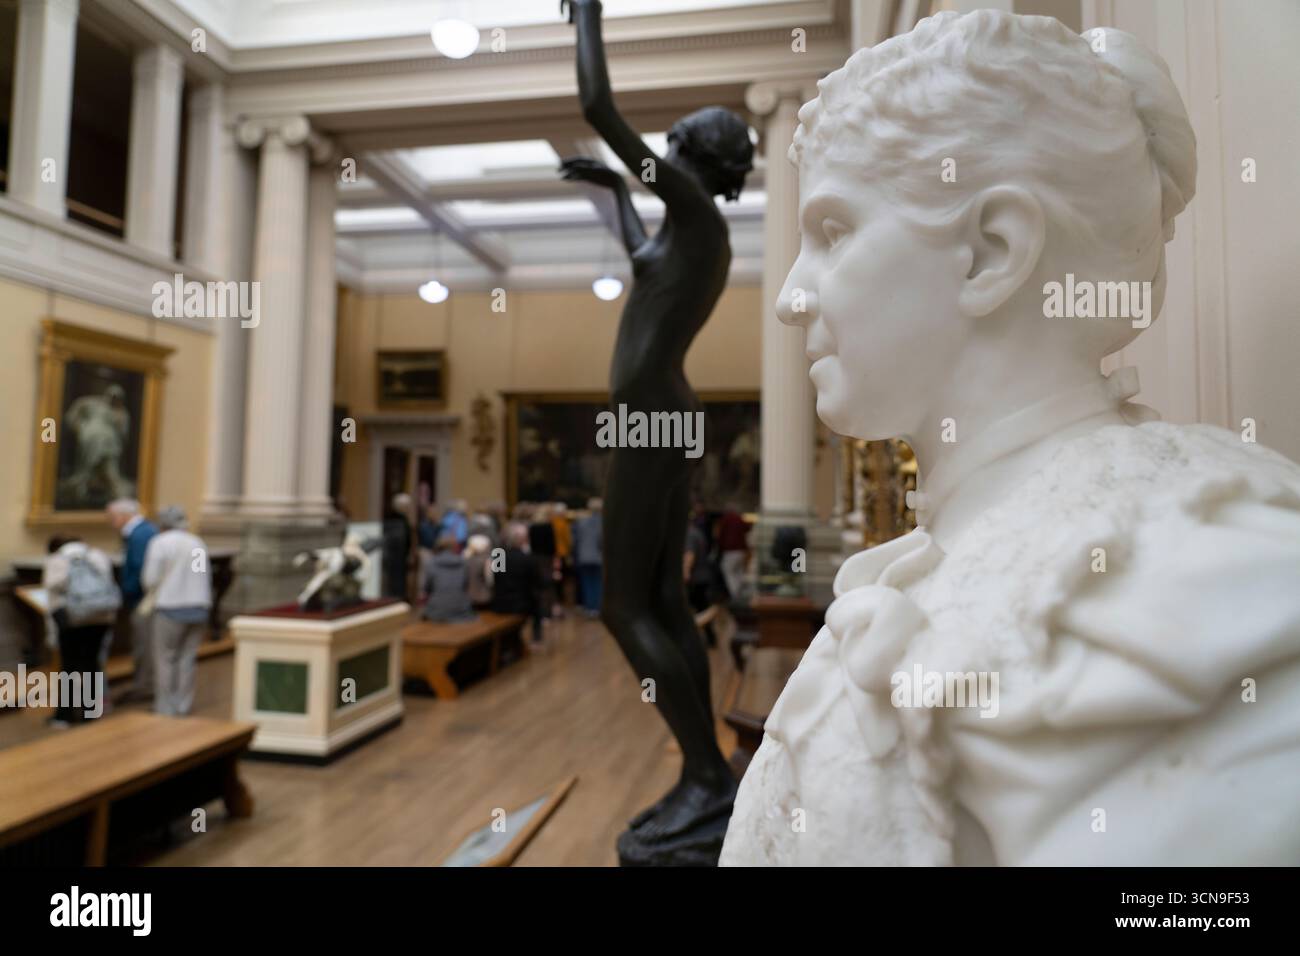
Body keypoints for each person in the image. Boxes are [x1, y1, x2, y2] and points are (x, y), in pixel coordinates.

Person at [560, 0, 754, 849]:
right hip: (665, 414)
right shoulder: (694, 232)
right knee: (665, 599)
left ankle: (704, 769)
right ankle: (702, 771)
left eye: (674, 146)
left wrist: (589, 14)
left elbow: (599, 108)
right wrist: (613, 192)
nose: (662, 153)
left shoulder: (697, 210)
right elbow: (644, 258)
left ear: (692, 156)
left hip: (648, 419)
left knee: (619, 607)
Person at [141, 506, 211, 716]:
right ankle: (183, 705)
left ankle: (165, 707)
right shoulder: (197, 543)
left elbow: (150, 578)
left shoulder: (160, 543)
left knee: (165, 659)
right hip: (198, 606)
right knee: (187, 659)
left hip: (170, 607)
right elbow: (200, 574)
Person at [42, 535, 117, 727]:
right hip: (101, 616)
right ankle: (90, 711)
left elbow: (52, 585)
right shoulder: (97, 555)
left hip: (72, 617)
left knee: (69, 666)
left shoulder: (57, 560)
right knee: (92, 663)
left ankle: (65, 715)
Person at [106, 498, 157, 701]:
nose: (110, 522)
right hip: (143, 597)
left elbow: (138, 568)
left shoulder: (139, 534)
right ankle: (144, 684)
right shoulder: (144, 531)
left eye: (111, 517)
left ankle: (144, 687)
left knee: (144, 645)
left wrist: (126, 592)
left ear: (123, 515)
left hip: (142, 599)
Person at [489, 523, 543, 645]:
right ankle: (536, 638)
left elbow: (496, 579)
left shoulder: (499, 555)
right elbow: (536, 583)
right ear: (522, 540)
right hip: (521, 604)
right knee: (537, 603)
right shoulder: (527, 558)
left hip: (500, 602)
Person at [420, 534, 477, 623]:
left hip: (436, 611)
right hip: (462, 609)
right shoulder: (464, 563)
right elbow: (466, 586)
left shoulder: (431, 563)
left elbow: (426, 588)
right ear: (455, 548)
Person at [572, 498, 603, 617]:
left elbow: (576, 540)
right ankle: (597, 607)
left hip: (584, 556)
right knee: (598, 583)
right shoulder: (603, 522)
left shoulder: (581, 522)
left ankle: (590, 607)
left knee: (587, 583)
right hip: (598, 556)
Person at [716, 504, 750, 605]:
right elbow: (747, 529)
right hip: (741, 550)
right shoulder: (739, 518)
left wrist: (720, 547)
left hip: (730, 551)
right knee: (738, 572)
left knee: (728, 571)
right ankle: (739, 594)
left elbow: (720, 536)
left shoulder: (726, 519)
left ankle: (735, 595)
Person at [381, 493, 413, 601]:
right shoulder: (395, 520)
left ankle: (398, 596)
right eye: (407, 506)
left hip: (400, 554)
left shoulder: (403, 520)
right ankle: (395, 597)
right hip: (395, 554)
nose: (409, 509)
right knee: (394, 579)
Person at [463, 534, 495, 608]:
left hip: (468, 598)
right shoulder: (487, 561)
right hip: (484, 599)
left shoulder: (465, 559)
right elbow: (490, 581)